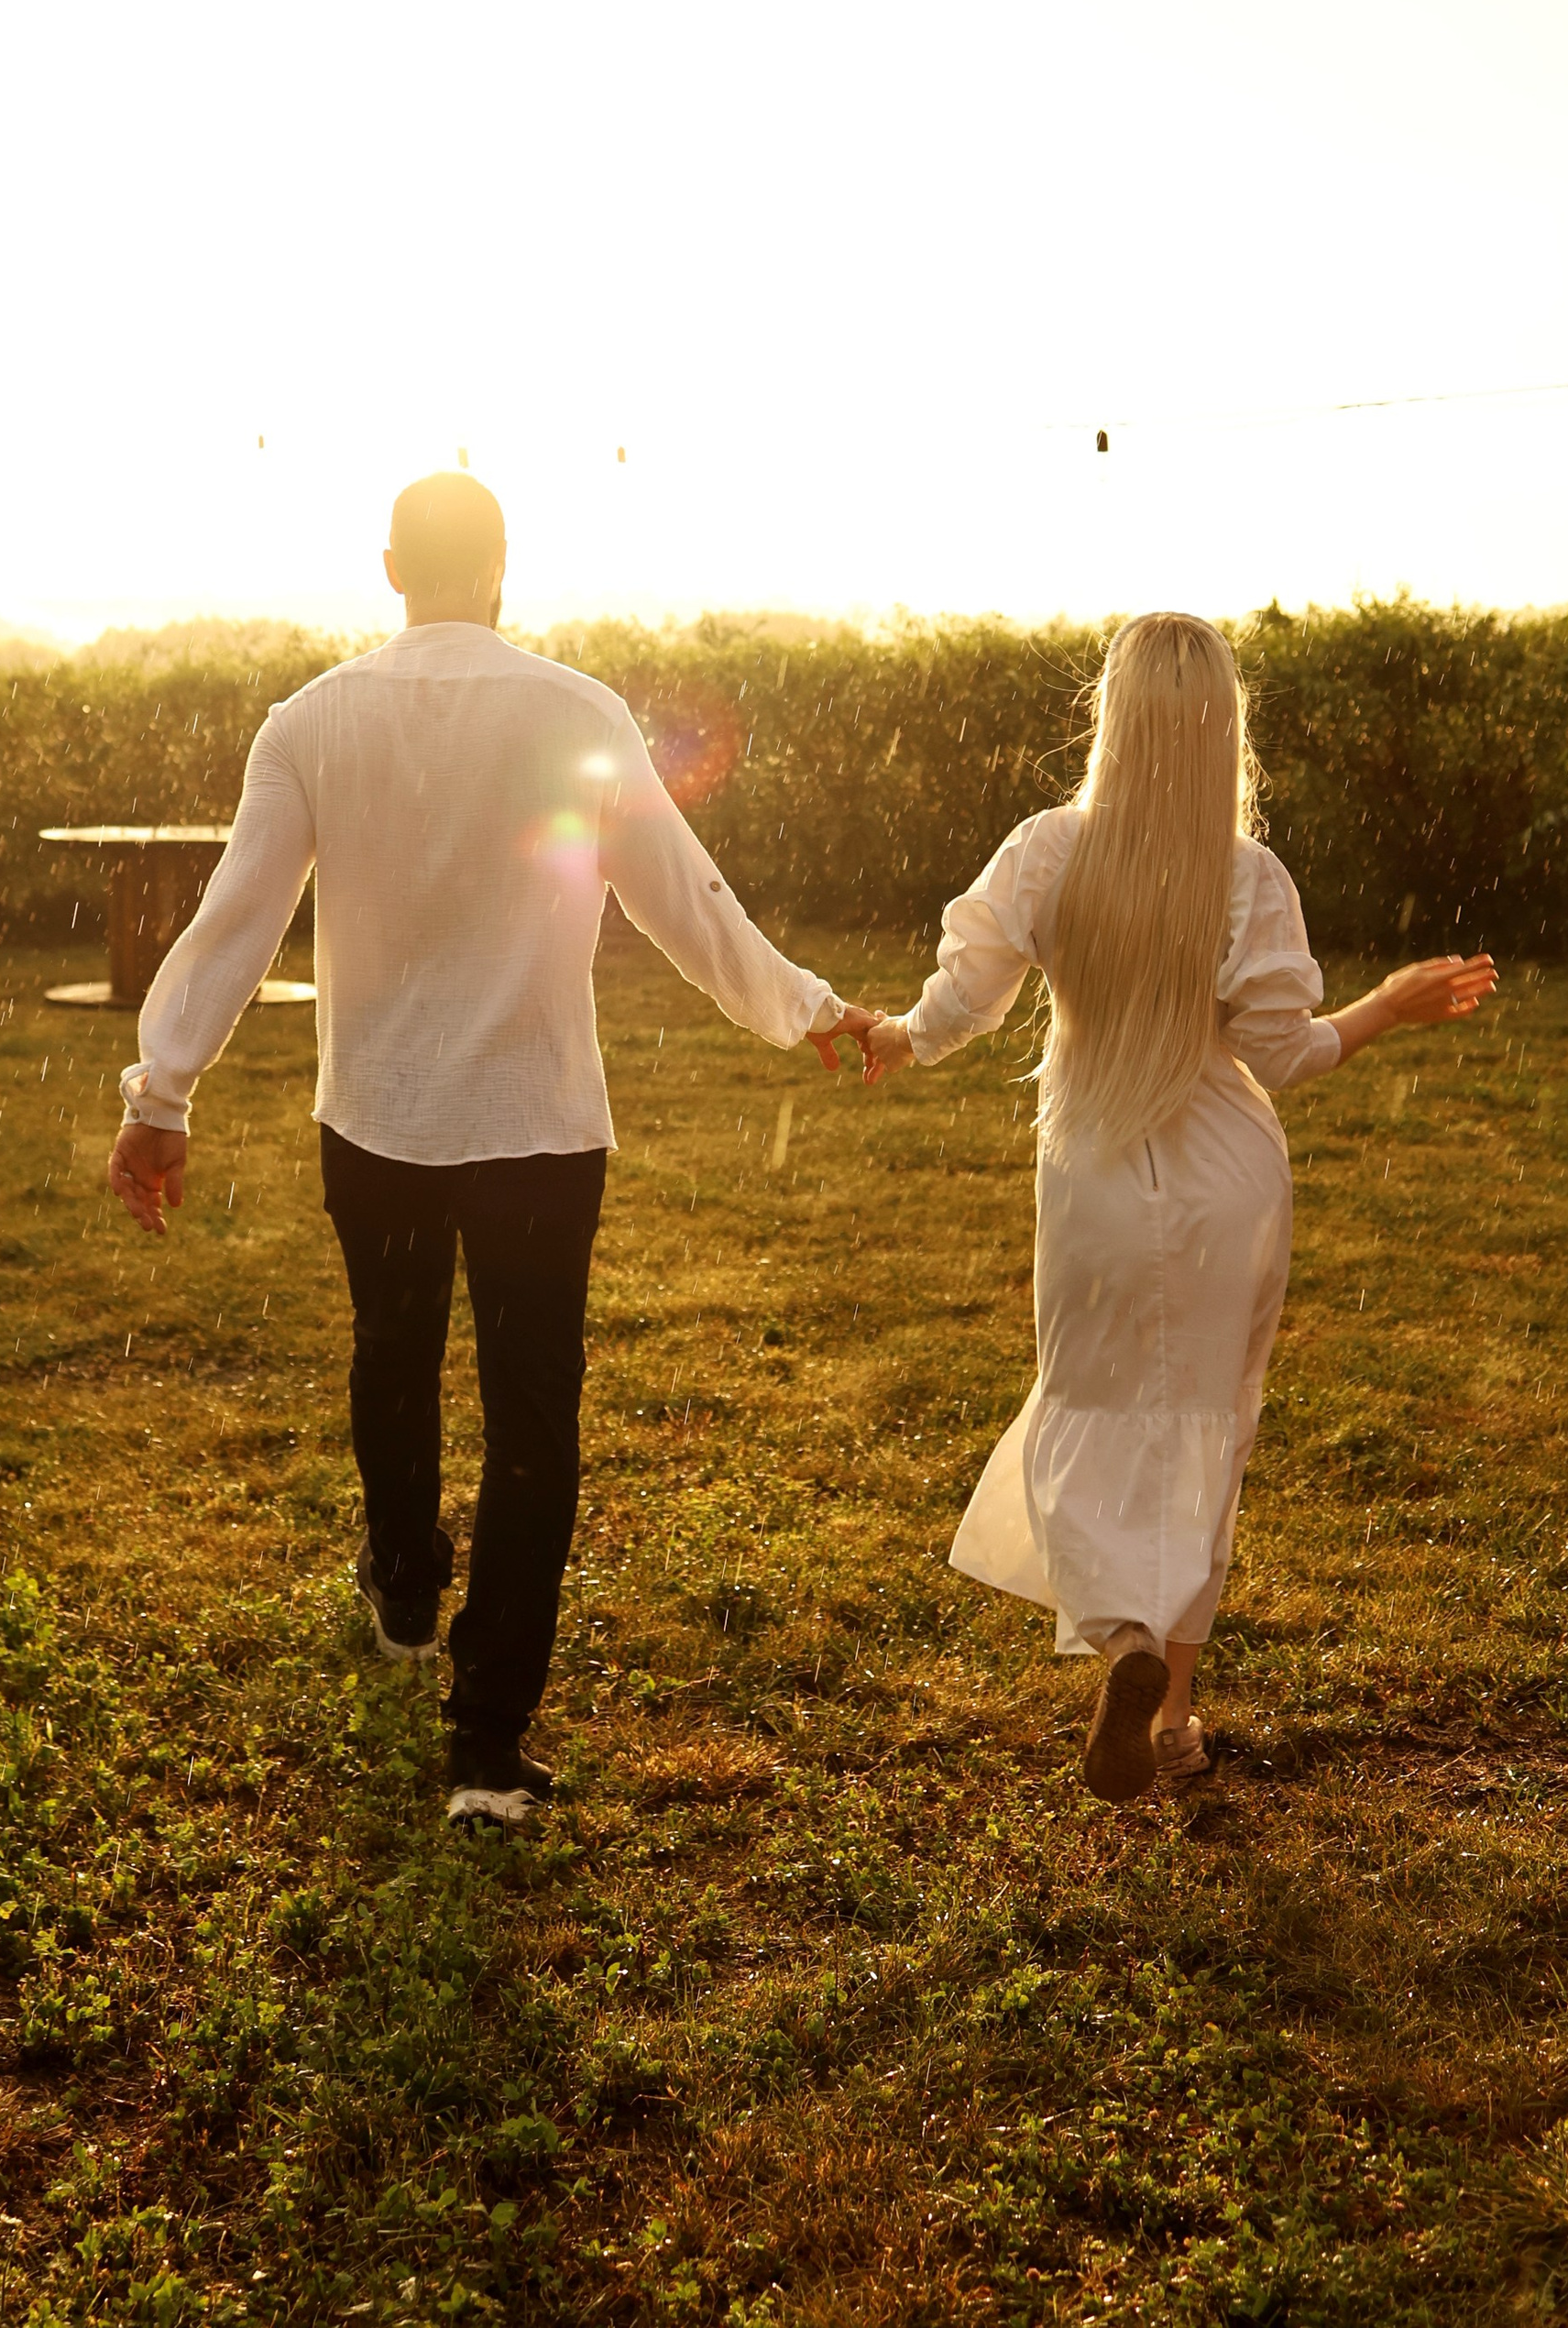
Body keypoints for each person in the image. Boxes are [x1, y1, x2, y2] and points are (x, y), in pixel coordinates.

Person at [104, 471, 869, 1830]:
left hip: (380, 1127)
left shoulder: (311, 724)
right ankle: (487, 1744)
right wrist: (800, 1007)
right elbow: (681, 894)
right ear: (503, 568)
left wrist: (161, 1094)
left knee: (390, 1361)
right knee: (533, 1418)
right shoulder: (575, 713)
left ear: (392, 566)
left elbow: (236, 921)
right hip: (538, 1132)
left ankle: (403, 1579)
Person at [863, 611, 1495, 1804]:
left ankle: (1127, 1645)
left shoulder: (1050, 852)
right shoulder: (1248, 878)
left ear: (1115, 718)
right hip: (1228, 1179)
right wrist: (1386, 1008)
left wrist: (897, 1038)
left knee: (1090, 1410)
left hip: (1095, 1175)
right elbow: (1287, 1051)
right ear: (1223, 734)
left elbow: (964, 998)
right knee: (1209, 1428)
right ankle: (1173, 1722)